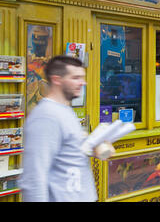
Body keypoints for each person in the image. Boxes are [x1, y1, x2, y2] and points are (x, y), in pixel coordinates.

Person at [19, 55, 111, 202]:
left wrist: (93, 148)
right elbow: (33, 178)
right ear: (57, 80)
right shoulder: (45, 116)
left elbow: (66, 154)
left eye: (82, 77)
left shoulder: (64, 110)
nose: (83, 82)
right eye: (76, 78)